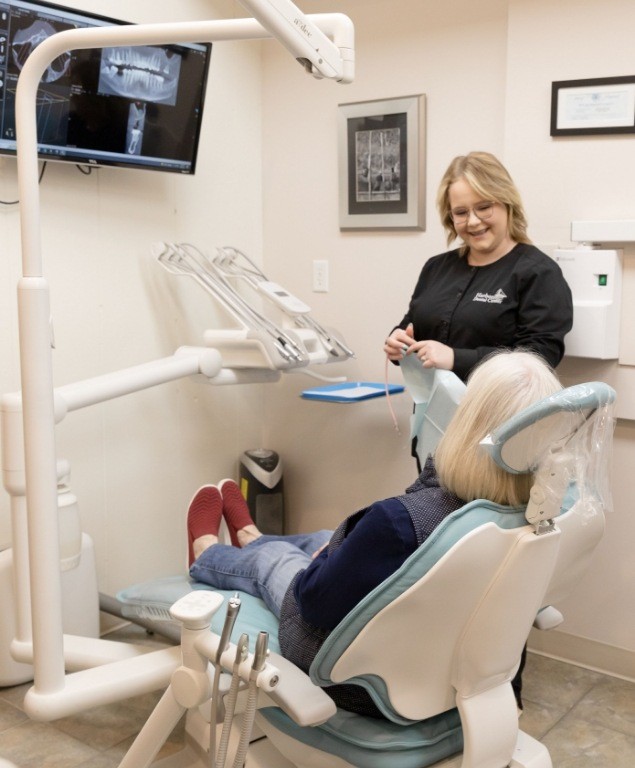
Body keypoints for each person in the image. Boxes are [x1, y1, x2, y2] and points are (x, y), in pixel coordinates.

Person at [187, 351, 561, 717]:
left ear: (467, 422)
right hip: (444, 673)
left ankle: (206, 553)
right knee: (324, 536)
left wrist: (321, 566)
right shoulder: (535, 514)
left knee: (282, 560)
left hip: (356, 678)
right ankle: (253, 539)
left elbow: (314, 603)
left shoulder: (398, 523)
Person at [384, 151, 573, 383]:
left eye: (484, 207)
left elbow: (540, 358)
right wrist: (398, 340)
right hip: (431, 411)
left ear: (507, 203)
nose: (473, 221)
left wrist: (456, 358)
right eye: (461, 212)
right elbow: (412, 325)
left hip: (498, 412)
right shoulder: (436, 268)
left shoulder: (538, 273)